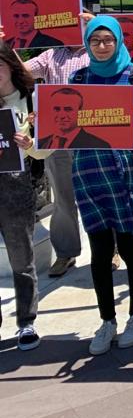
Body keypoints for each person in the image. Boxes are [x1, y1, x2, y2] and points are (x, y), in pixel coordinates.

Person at [70, 16, 133, 355]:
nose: (102, 46)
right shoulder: (79, 78)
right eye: (95, 40)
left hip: (126, 171)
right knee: (100, 250)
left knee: (131, 247)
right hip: (89, 170)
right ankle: (107, 320)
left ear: (119, 41)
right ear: (87, 44)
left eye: (108, 40)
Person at [25, 27, 92, 277]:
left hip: (91, 135)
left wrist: (97, 25)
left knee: (100, 194)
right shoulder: (50, 55)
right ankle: (65, 253)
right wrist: (4, 47)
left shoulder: (98, 51)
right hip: (57, 136)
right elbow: (21, 71)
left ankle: (111, 249)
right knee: (63, 198)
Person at [0, 42, 51, 350]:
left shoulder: (32, 99)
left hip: (17, 187)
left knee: (21, 258)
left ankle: (26, 322)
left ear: (11, 65)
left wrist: (30, 145)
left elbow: (47, 149)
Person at [37, 88, 110, 149]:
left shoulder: (99, 145)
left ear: (80, 112)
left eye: (68, 109)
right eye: (56, 109)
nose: (62, 115)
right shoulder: (40, 143)